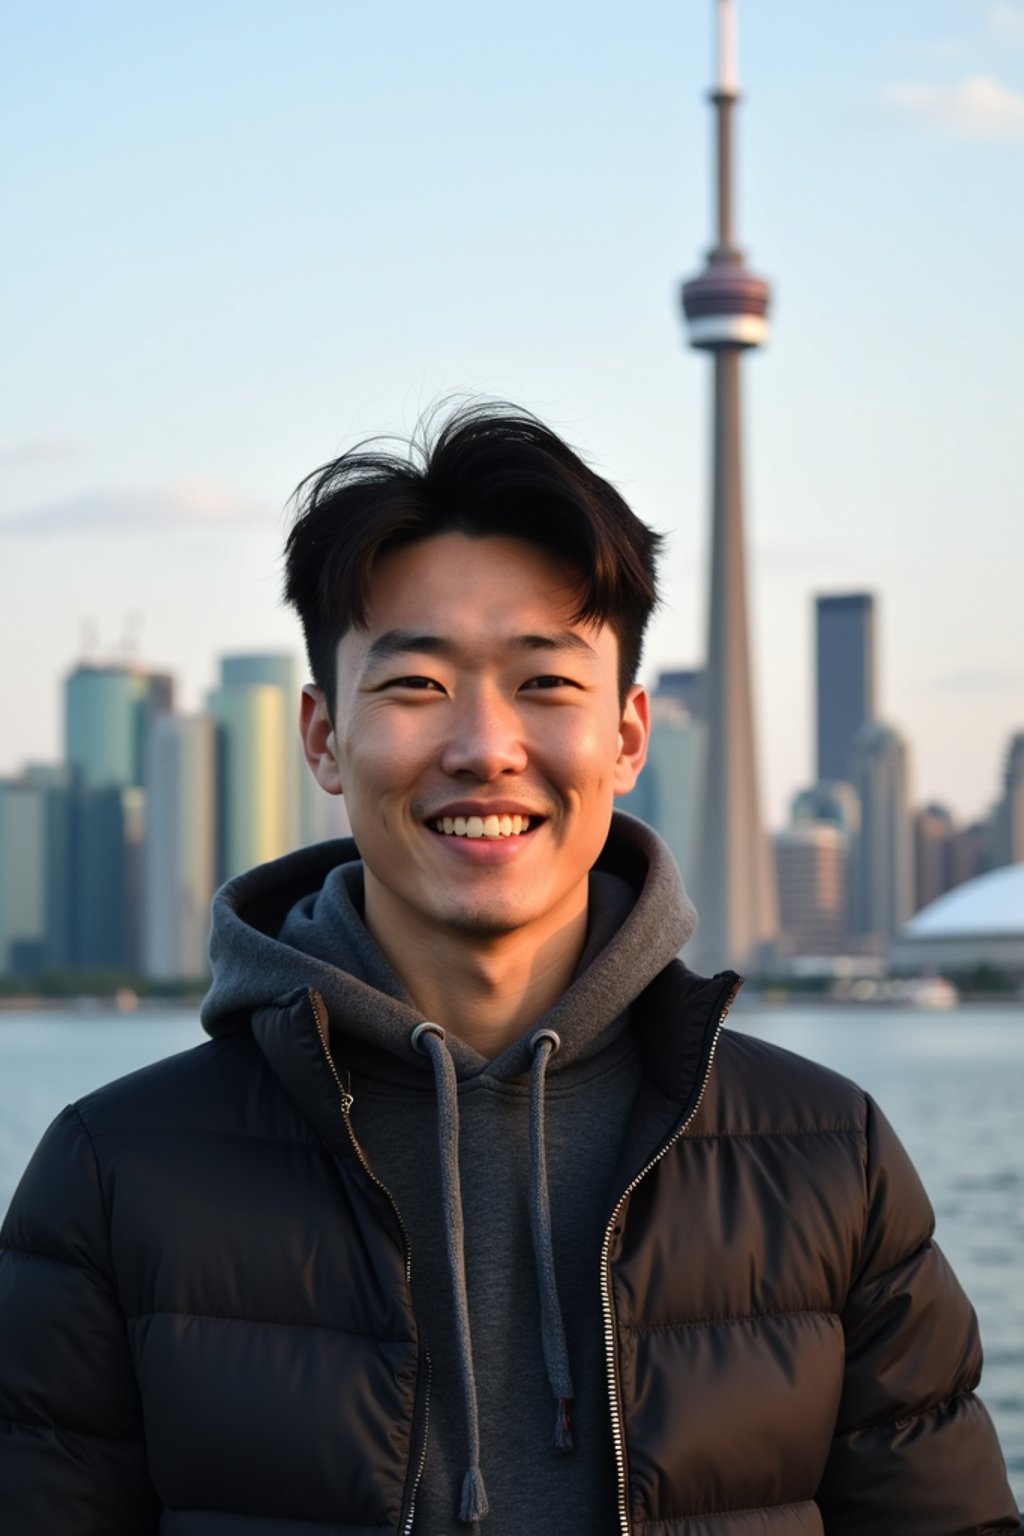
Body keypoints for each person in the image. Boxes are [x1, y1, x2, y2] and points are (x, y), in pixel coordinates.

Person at [0, 404, 1018, 1535]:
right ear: (323, 738)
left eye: (544, 684)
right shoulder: (114, 1175)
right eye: (415, 686)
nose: (485, 745)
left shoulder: (831, 1161)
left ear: (628, 735)